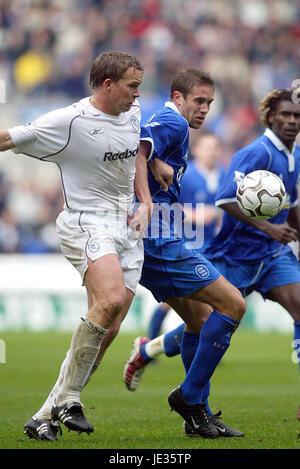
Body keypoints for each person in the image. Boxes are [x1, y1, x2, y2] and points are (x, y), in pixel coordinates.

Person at [124, 88, 300, 428]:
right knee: (202, 323)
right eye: (285, 115)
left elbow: (290, 207)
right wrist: (269, 228)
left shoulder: (295, 157)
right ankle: (152, 355)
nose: (292, 121)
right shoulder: (256, 153)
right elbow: (225, 200)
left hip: (273, 256)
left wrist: (281, 233)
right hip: (232, 255)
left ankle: (185, 394)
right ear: (270, 117)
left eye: (296, 116)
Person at [0, 50, 153, 441]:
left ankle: (45, 415)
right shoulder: (69, 121)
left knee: (109, 325)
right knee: (110, 300)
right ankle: (70, 398)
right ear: (107, 85)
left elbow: (135, 152)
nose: (138, 95)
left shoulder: (132, 113)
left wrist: (147, 200)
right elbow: (10, 137)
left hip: (127, 228)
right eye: (132, 86)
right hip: (86, 222)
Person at [124, 67, 246, 439]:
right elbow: (136, 151)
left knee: (200, 319)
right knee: (233, 305)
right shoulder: (172, 123)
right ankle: (190, 398)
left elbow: (134, 145)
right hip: (158, 237)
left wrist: (151, 161)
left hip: (158, 235)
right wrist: (145, 198)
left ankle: (198, 417)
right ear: (178, 98)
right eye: (199, 101)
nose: (205, 109)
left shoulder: (165, 122)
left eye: (209, 102)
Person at [147, 133, 225, 340]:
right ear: (197, 151)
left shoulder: (224, 175)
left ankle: (205, 345)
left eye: (215, 147)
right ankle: (150, 342)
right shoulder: (187, 176)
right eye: (207, 147)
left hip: (214, 245)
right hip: (188, 241)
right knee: (172, 300)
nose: (211, 152)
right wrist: (195, 216)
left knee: (210, 302)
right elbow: (169, 204)